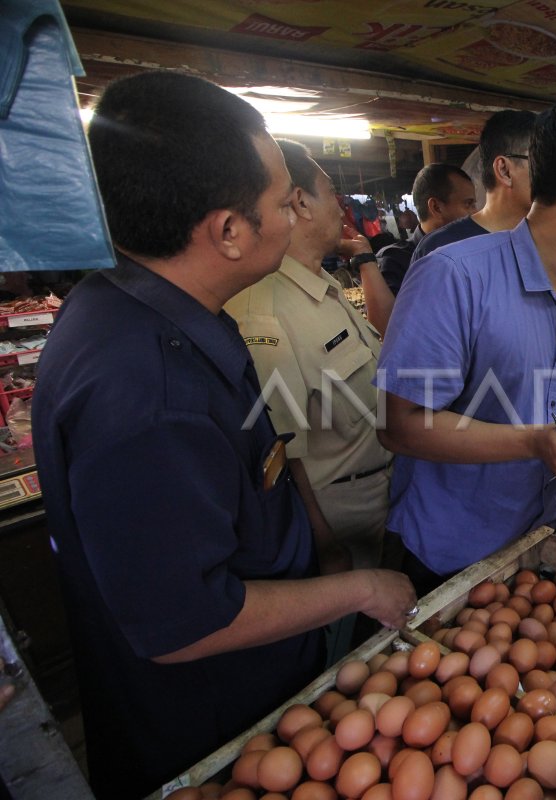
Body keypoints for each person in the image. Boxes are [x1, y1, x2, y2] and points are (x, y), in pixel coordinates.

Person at [31, 71, 416, 799]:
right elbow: (185, 624)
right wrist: (358, 587)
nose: (293, 212)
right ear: (230, 231)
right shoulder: (149, 394)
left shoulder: (142, 308)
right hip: (209, 726)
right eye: (281, 202)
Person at [375, 101, 556, 596]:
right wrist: (531, 442)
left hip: (537, 548)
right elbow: (399, 425)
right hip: (448, 560)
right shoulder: (455, 276)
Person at [225, 139, 392, 578]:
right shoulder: (264, 311)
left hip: (383, 495)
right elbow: (282, 456)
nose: (342, 208)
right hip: (340, 519)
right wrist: (323, 543)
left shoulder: (325, 286)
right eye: (332, 193)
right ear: (300, 202)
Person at [358, 163, 475, 332]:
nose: (475, 212)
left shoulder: (472, 252)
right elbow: (390, 328)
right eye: (468, 204)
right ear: (435, 207)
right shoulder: (396, 259)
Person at [411, 109, 537, 261]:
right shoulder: (441, 250)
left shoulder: (544, 240)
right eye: (541, 162)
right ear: (504, 170)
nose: (555, 173)